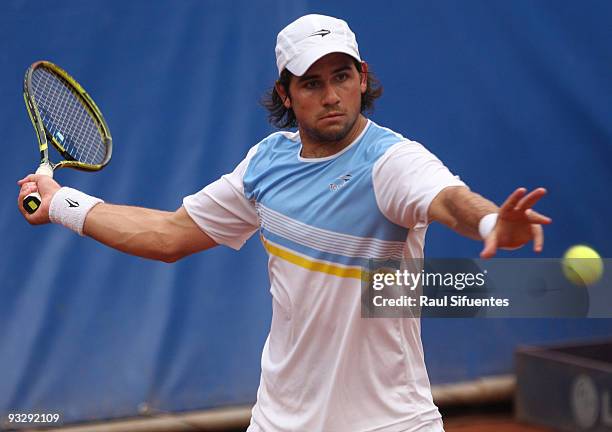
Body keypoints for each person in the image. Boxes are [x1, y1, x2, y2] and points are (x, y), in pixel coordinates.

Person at [18, 14, 551, 432]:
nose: (332, 95)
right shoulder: (266, 165)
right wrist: (63, 204)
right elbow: (170, 235)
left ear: (362, 79)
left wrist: (489, 225)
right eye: (312, 83)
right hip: (281, 420)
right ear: (285, 94)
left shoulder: (394, 162)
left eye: (342, 76)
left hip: (390, 423)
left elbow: (450, 200)